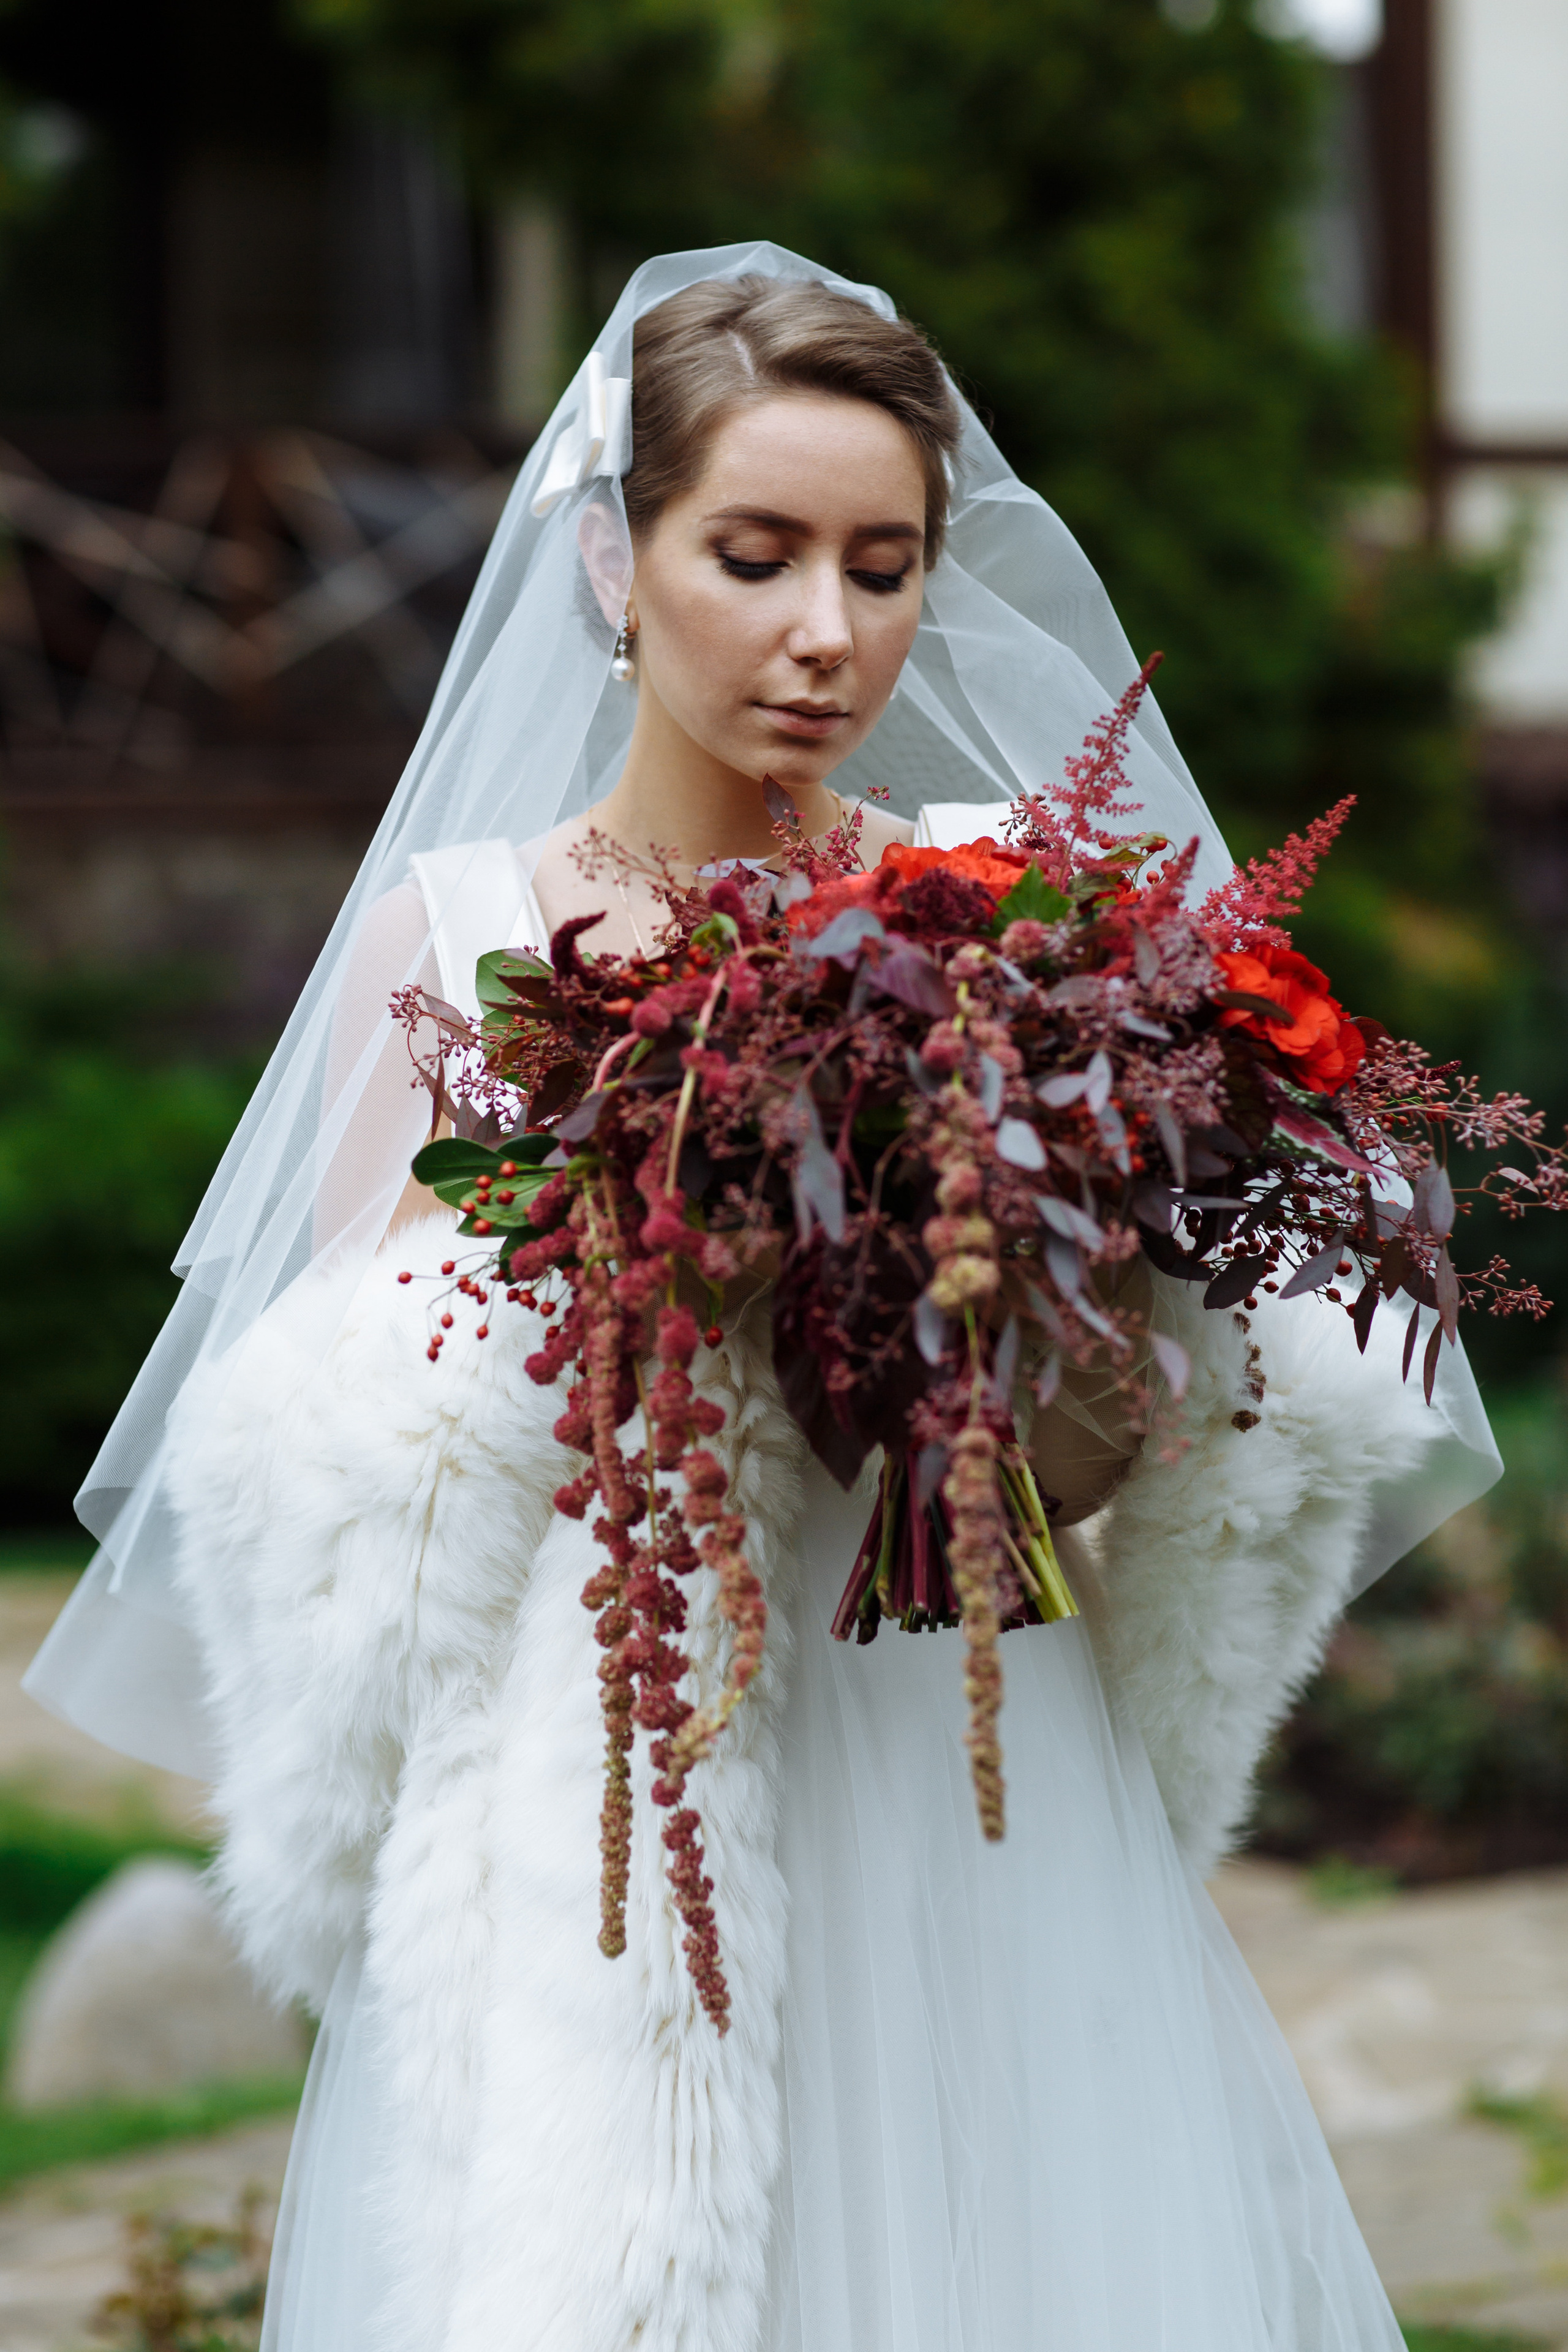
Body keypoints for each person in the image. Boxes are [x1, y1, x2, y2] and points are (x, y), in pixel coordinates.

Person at [26, 249, 1500, 2351]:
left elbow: (1118, 1459)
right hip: (618, 1817)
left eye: (882, 564)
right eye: (756, 552)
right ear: (617, 569)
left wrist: (1014, 1361)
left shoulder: (1019, 923)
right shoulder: (459, 954)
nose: (829, 632)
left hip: (972, 1767)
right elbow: (359, 1493)